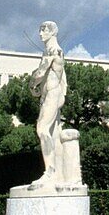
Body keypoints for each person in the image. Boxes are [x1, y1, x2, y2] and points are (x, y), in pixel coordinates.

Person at [27, 21, 67, 189]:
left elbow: (41, 72)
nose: (40, 34)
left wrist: (31, 85)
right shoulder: (52, 51)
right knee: (53, 133)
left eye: (43, 30)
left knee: (42, 129)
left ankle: (50, 171)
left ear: (52, 32)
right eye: (40, 30)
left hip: (52, 94)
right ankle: (57, 171)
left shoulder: (53, 51)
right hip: (49, 94)